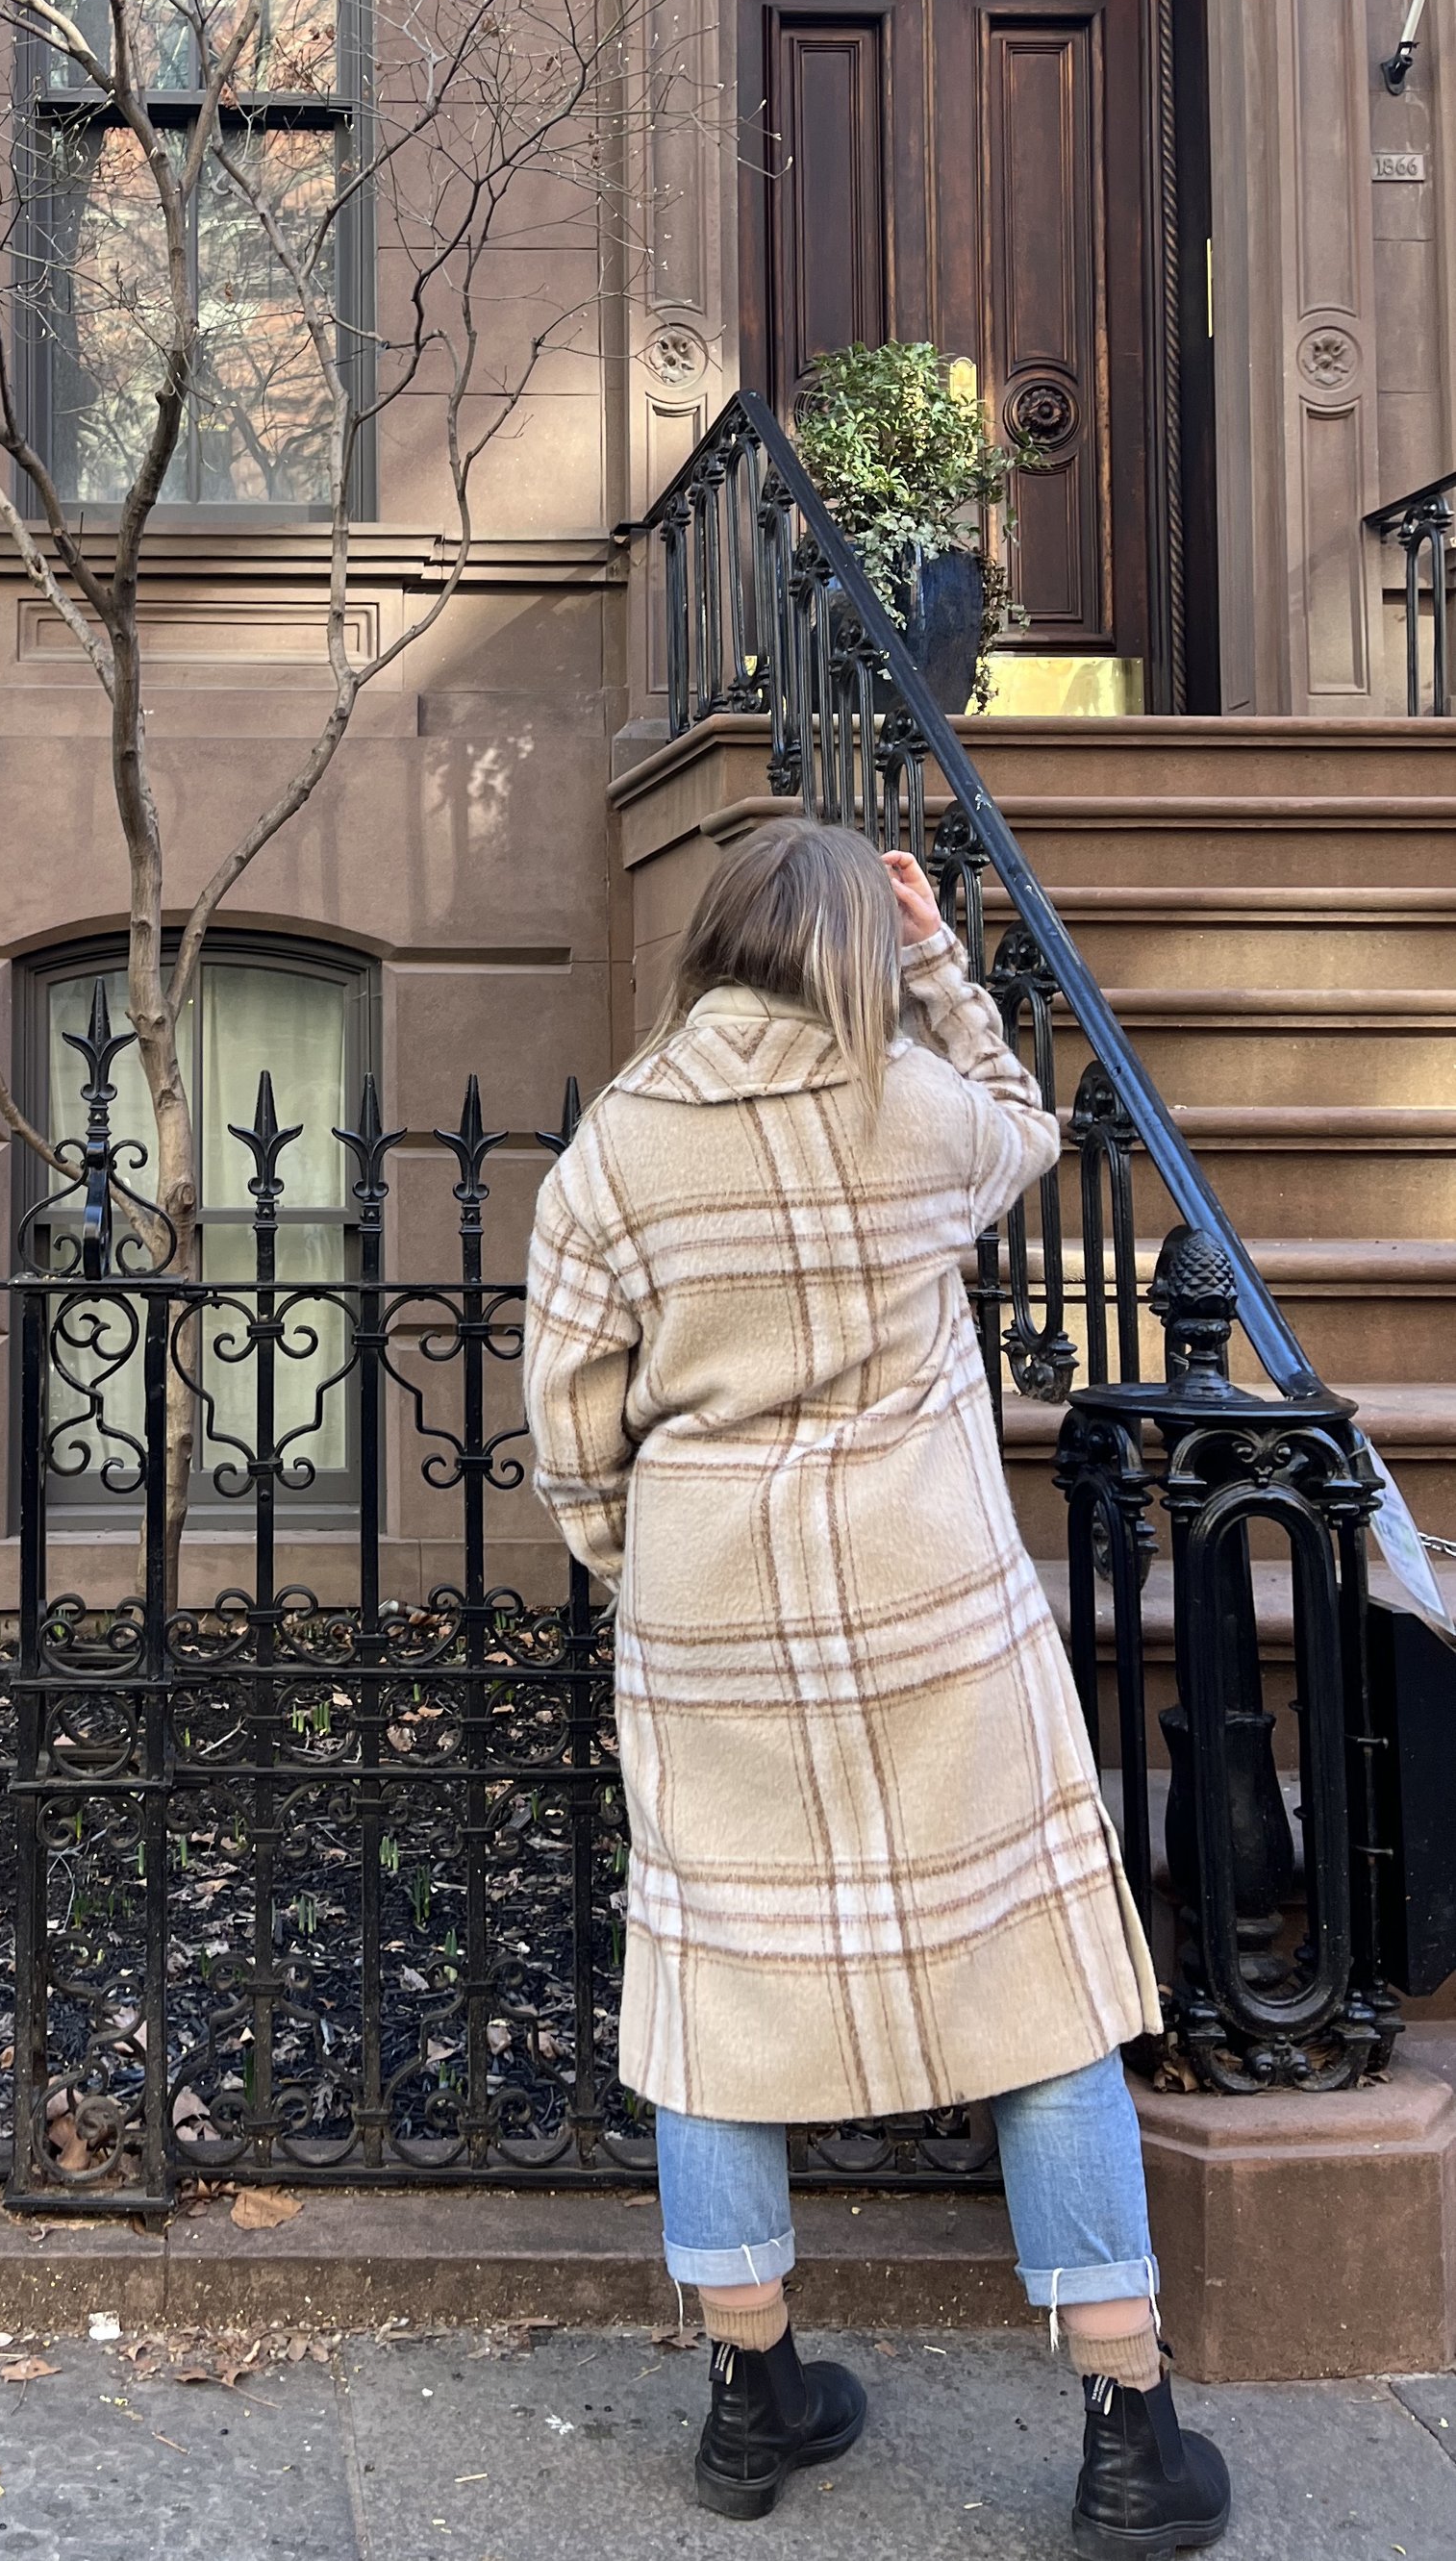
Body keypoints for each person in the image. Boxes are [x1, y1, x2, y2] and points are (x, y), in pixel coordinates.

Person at [523, 814, 1229, 2555]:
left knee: (712, 1985)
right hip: (931, 1600)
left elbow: (565, 1423)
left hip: (713, 1601)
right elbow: (1022, 1128)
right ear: (844, 946)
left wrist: (650, 1563)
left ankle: (750, 2401)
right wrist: (938, 963)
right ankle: (1127, 2421)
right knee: (1035, 1983)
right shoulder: (906, 1110)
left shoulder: (614, 1148)